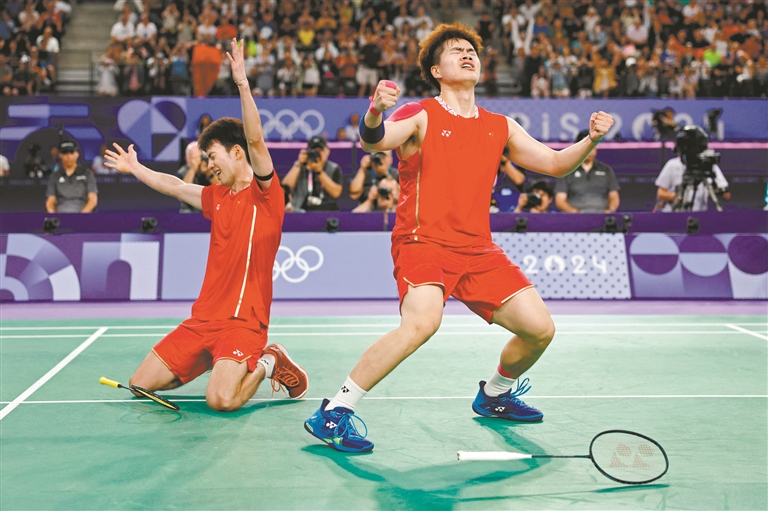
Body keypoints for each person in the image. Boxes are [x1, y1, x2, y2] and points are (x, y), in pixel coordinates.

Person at [304, 23, 614, 452]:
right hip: (424, 242)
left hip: (478, 249)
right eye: (455, 51)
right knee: (422, 323)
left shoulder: (500, 126)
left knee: (540, 329)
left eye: (471, 50)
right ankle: (335, 410)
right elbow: (375, 141)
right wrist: (374, 112)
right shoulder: (419, 114)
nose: (467, 55)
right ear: (436, 70)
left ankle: (495, 394)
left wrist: (591, 140)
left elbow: (556, 164)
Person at [103, 38, 308, 412]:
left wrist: (242, 84)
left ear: (236, 152)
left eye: (213, 157)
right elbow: (176, 186)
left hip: (243, 322)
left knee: (221, 400)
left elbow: (256, 138)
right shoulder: (217, 197)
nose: (209, 165)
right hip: (203, 320)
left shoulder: (266, 194)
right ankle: (217, 363)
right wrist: (136, 168)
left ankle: (269, 360)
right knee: (139, 385)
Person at [655, 126, 730, 212]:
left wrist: (714, 188)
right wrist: (679, 197)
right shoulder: (672, 164)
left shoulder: (708, 165)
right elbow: (660, 193)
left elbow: (727, 195)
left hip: (700, 214)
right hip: (676, 214)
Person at [554, 130, 620, 213]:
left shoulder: (606, 170)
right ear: (577, 147)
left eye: (592, 146)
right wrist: (576, 213)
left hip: (602, 216)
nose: (589, 150)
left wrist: (609, 212)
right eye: (586, 147)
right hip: (575, 216)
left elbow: (614, 197)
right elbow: (560, 201)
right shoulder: (567, 170)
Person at [281, 136, 343, 211]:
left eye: (320, 150)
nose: (317, 154)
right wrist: (298, 164)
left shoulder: (334, 168)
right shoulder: (300, 166)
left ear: (327, 151)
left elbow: (336, 193)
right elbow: (285, 188)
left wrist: (319, 172)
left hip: (327, 211)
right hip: (301, 210)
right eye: (314, 151)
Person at [45, 140, 98, 213]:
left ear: (77, 154)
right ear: (60, 155)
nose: (68, 156)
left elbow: (93, 200)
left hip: (83, 216)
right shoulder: (54, 176)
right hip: (60, 216)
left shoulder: (87, 174)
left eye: (71, 152)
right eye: (65, 152)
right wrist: (54, 217)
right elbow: (50, 201)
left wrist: (80, 217)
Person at [176, 141, 219, 212]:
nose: (198, 161)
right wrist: (192, 170)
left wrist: (208, 173)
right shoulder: (183, 172)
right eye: (194, 158)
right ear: (187, 159)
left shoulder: (210, 168)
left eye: (200, 157)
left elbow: (222, 189)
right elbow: (180, 196)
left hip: (210, 208)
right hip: (189, 210)